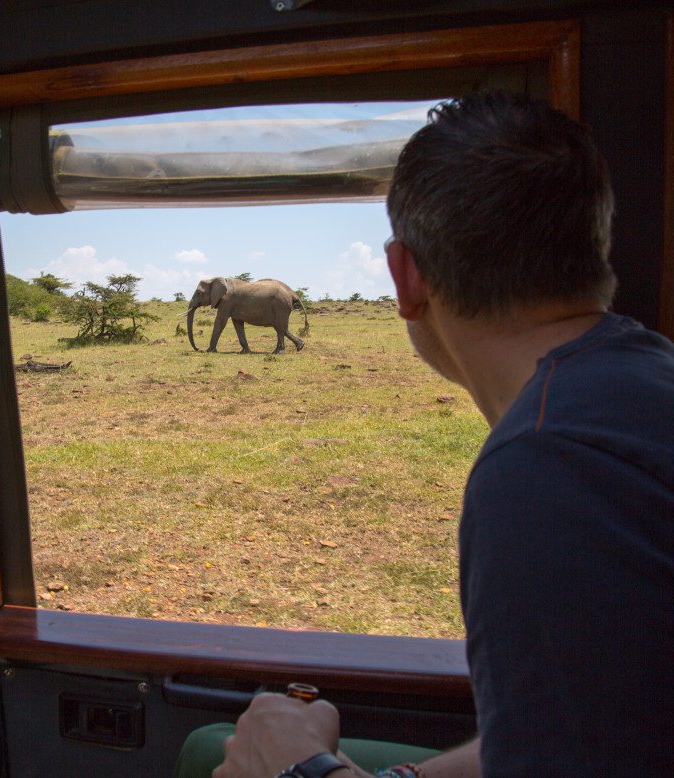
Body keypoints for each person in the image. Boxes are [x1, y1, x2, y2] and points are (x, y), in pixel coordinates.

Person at [178, 91, 674, 777]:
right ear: (594, 249)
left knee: (212, 750)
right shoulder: (644, 380)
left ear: (405, 277)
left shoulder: (549, 466)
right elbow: (581, 732)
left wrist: (301, 770)